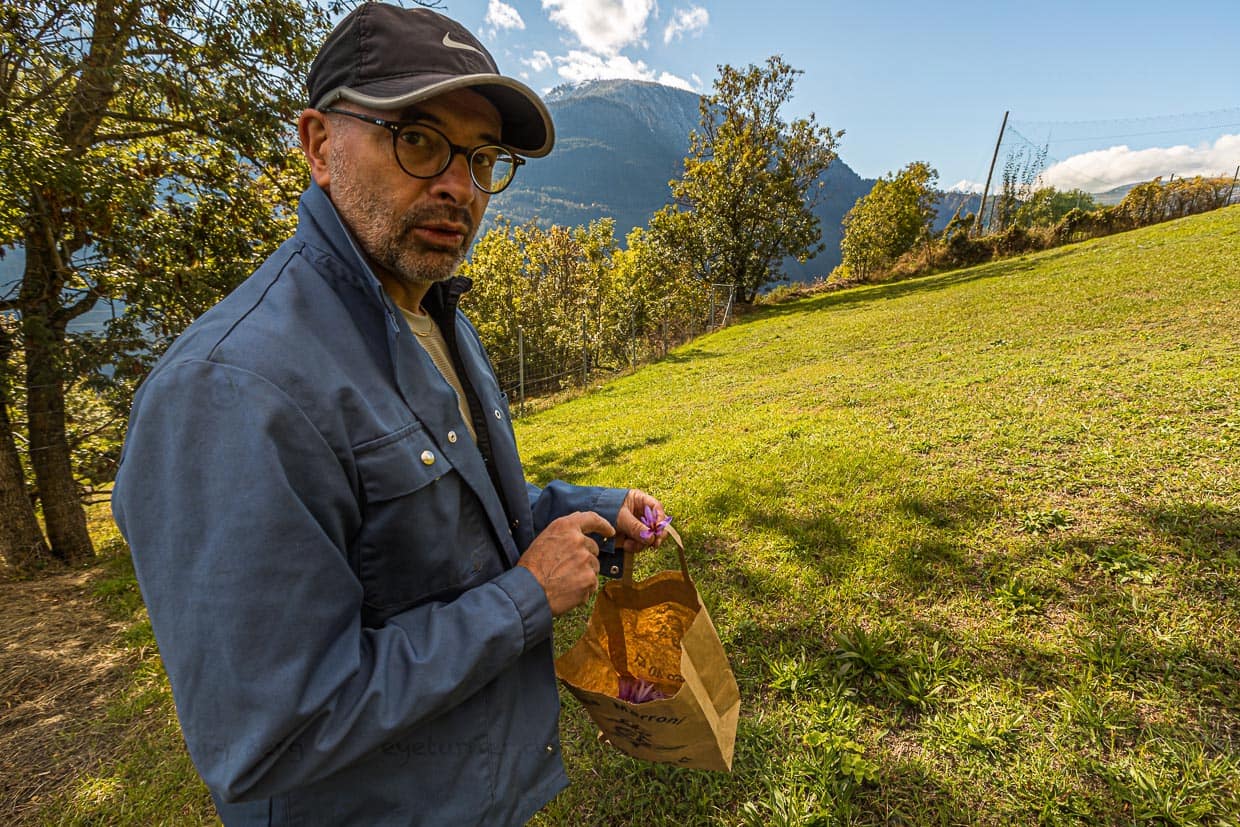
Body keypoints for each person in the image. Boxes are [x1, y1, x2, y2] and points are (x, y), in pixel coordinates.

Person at [111, 5, 668, 824]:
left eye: (482, 158)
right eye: (418, 138)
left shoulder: (435, 313)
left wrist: (584, 509)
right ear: (318, 146)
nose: (459, 185)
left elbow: (453, 525)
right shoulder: (233, 388)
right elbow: (270, 731)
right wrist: (524, 597)